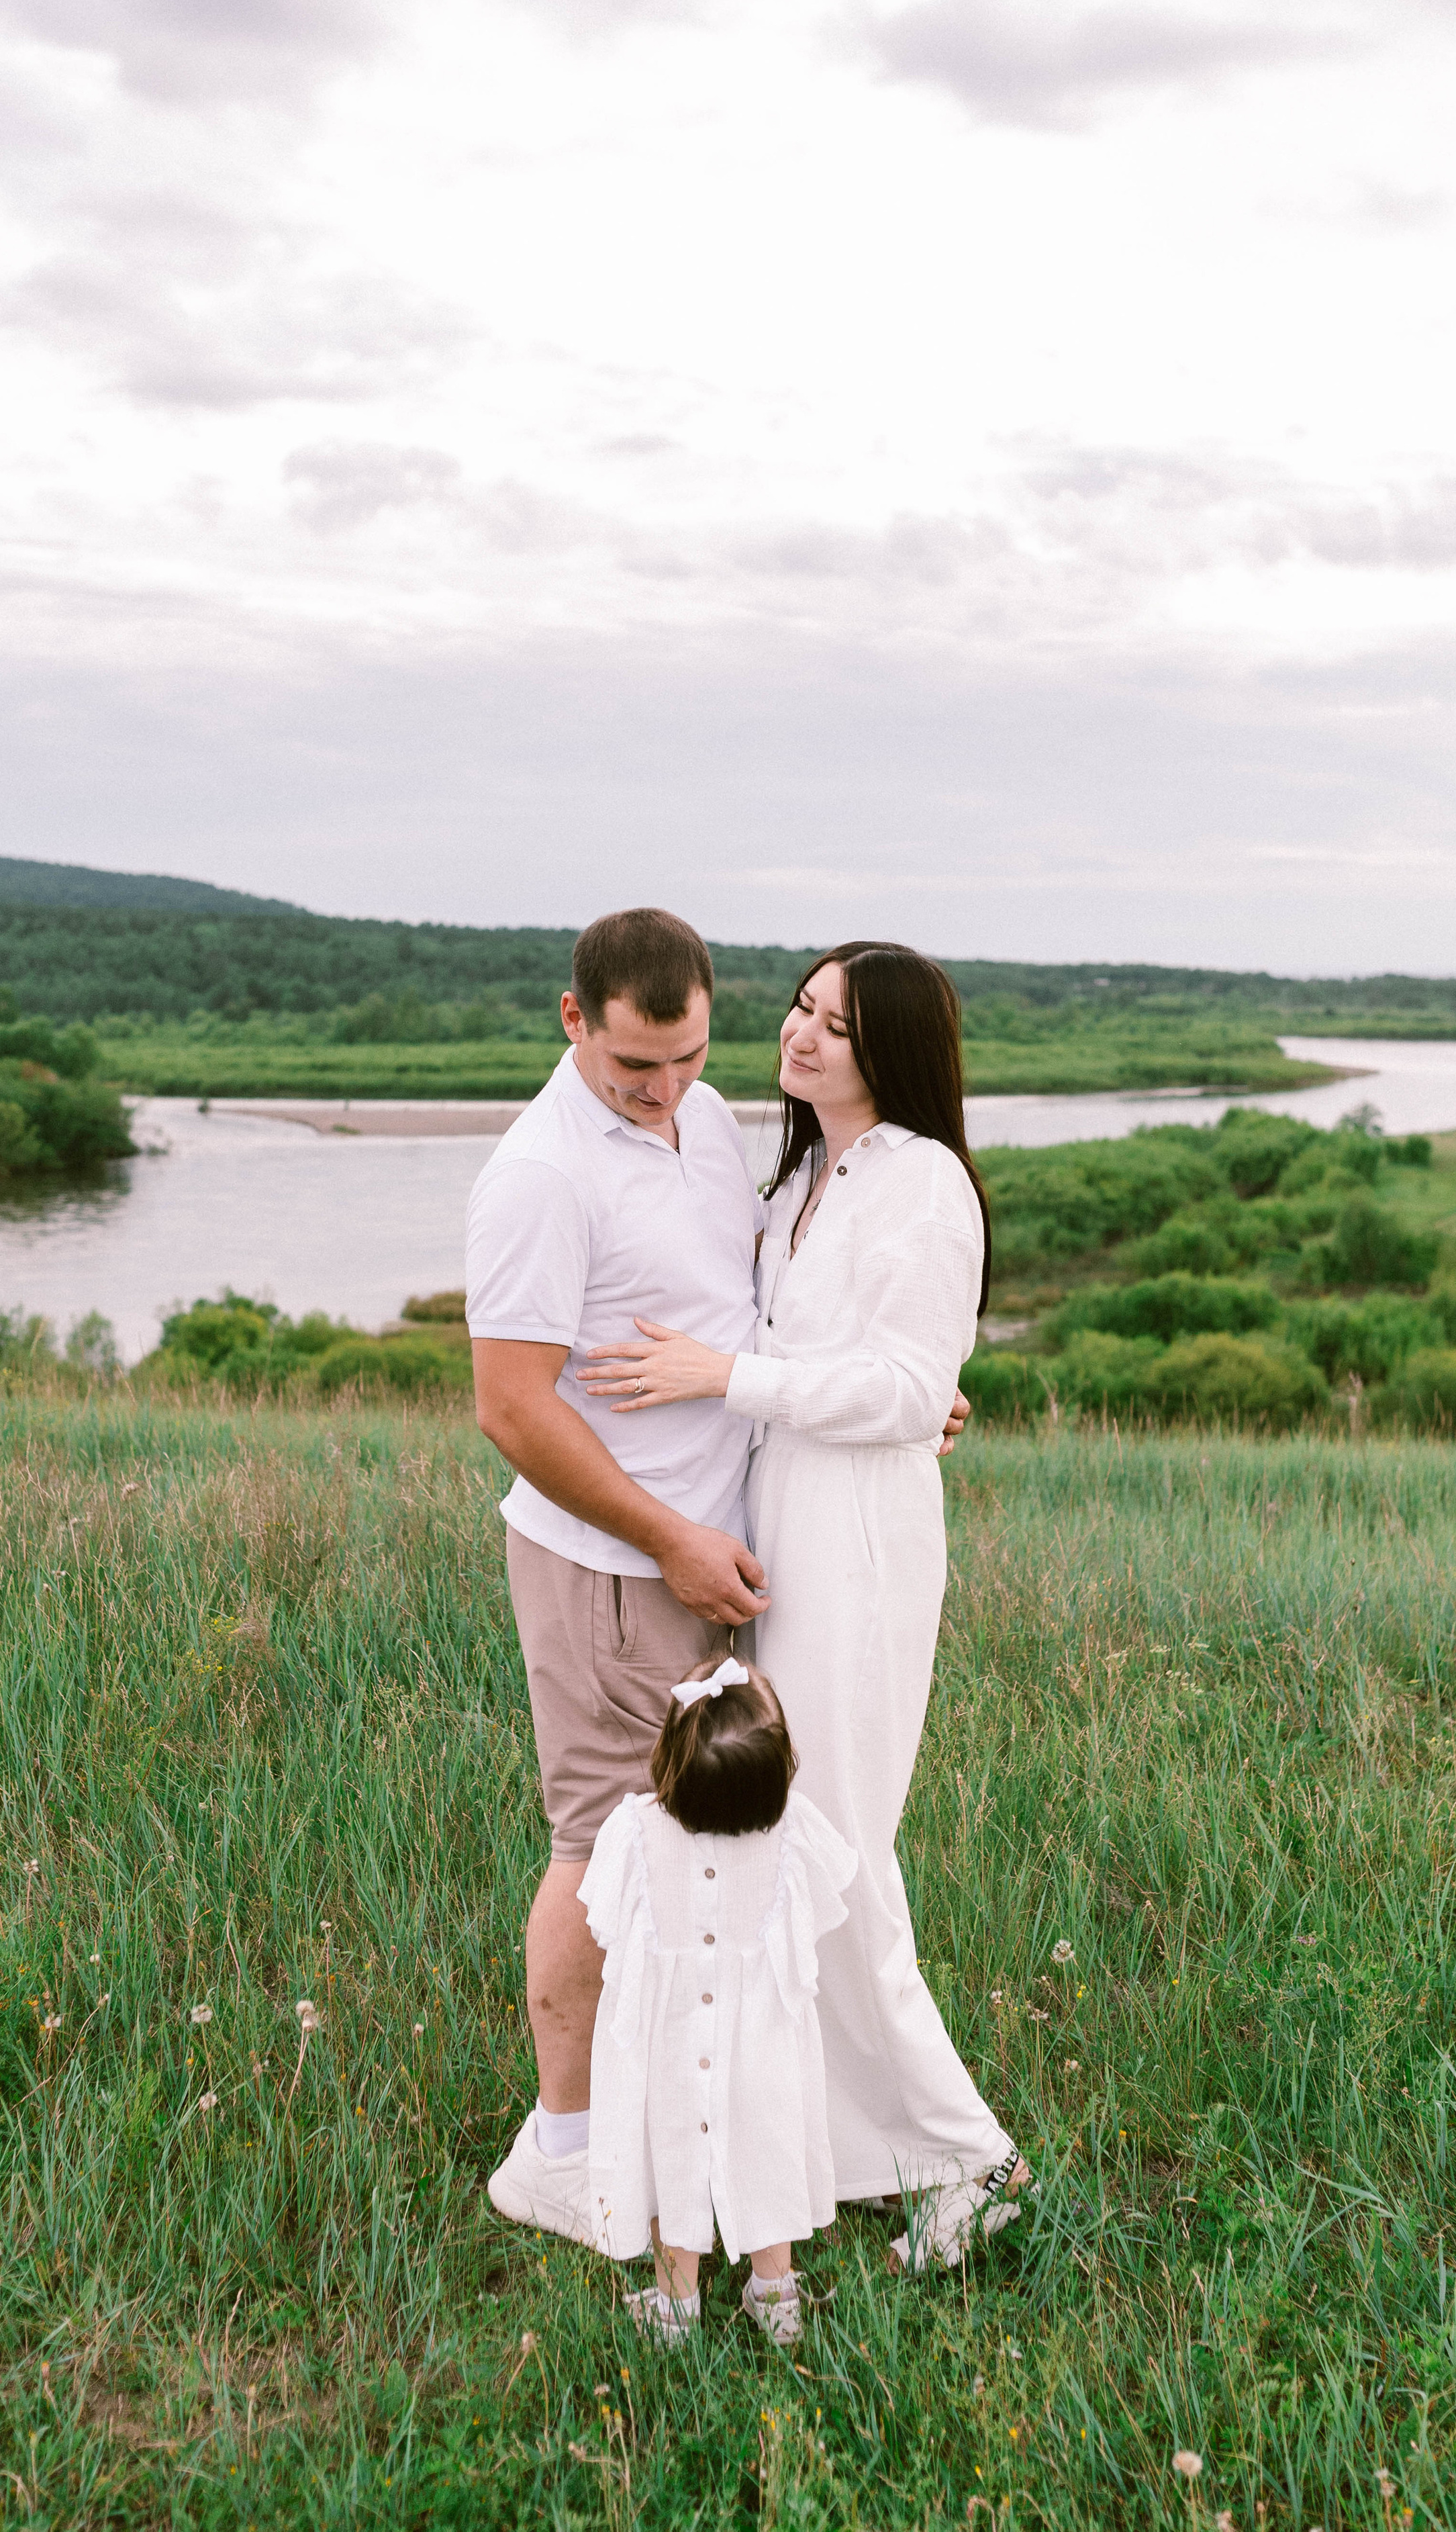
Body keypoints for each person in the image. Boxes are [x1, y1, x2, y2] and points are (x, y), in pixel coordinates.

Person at [576, 941, 1026, 2271]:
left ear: (892, 1048)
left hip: (862, 1549)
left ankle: (967, 2156)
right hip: (783, 1533)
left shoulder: (923, 1186)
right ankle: (851, 2150)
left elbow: (899, 1387)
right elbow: (849, 1368)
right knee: (794, 1852)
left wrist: (728, 1376)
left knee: (835, 1854)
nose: (803, 1035)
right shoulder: (798, 1178)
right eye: (799, 1008)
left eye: (836, 1023)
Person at [465, 907, 770, 2245]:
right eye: (634, 1066)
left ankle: (680, 2125)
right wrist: (667, 1542)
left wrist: (885, 1400)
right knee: (601, 1851)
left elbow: (739, 1309)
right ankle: (562, 2152)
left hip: (708, 1552)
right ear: (573, 1019)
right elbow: (513, 1409)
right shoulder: (537, 1175)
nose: (660, 1090)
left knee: (700, 1853)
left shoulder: (708, 1124)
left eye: (687, 1058)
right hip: (610, 1565)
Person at [579, 1656, 855, 2346]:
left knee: (670, 2153)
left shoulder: (634, 1834)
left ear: (669, 1757)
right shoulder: (795, 1834)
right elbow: (823, 1917)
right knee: (767, 2146)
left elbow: (603, 1927)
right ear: (777, 1772)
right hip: (762, 2046)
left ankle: (677, 2300)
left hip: (664, 2049)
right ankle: (775, 2291)